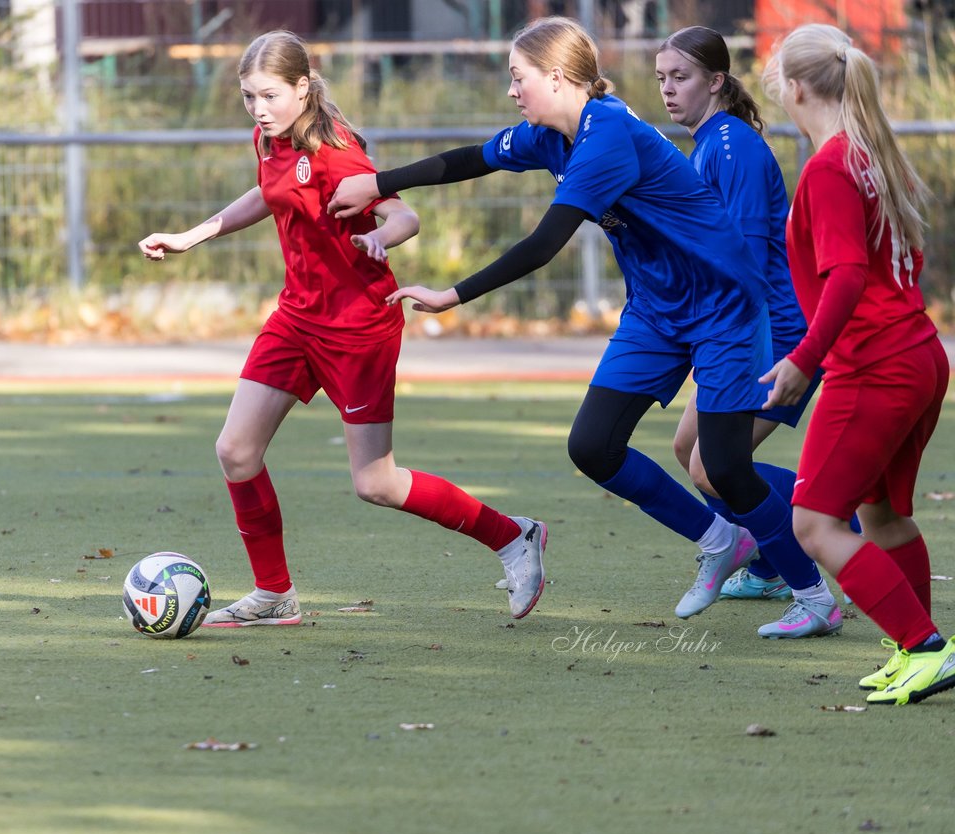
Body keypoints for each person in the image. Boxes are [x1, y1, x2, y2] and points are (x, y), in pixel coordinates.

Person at [328, 16, 839, 637]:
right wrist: (378, 182)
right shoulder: (550, 135)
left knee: (725, 466)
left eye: (519, 78)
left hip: (723, 306)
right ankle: (720, 539)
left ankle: (815, 598)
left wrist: (454, 293)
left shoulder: (608, 137)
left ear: (559, 77)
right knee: (592, 447)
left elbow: (544, 244)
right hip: (656, 311)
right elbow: (472, 159)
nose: (512, 91)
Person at [138, 30, 546, 627]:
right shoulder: (268, 138)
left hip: (358, 329)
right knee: (236, 450)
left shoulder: (338, 153)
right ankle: (274, 595)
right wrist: (190, 236)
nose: (258, 109)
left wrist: (379, 236)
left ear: (303, 89)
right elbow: (269, 192)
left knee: (376, 483)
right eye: (248, 97)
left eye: (270, 96)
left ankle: (514, 536)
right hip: (296, 318)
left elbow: (404, 213)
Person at [762, 24, 954, 704]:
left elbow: (844, 277)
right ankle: (916, 650)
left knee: (811, 523)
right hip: (918, 354)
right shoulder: (872, 154)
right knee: (882, 517)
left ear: (795, 88)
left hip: (874, 365)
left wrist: (802, 360)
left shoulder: (829, 166)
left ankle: (927, 648)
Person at [656, 26, 846, 616]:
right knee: (690, 447)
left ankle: (837, 509)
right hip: (740, 327)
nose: (667, 89)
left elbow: (737, 257)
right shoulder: (711, 142)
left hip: (772, 331)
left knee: (716, 467)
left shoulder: (731, 146)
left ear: (716, 82)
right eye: (661, 77)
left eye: (680, 77)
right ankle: (766, 566)